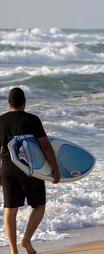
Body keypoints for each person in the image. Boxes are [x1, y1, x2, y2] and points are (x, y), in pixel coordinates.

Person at [0, 87, 60, 254]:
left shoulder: (0, 121)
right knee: (39, 206)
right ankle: (26, 239)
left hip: (8, 169)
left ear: (8, 103)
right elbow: (46, 147)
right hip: (30, 169)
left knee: (10, 211)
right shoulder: (32, 119)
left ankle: (13, 250)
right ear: (24, 103)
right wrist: (55, 169)